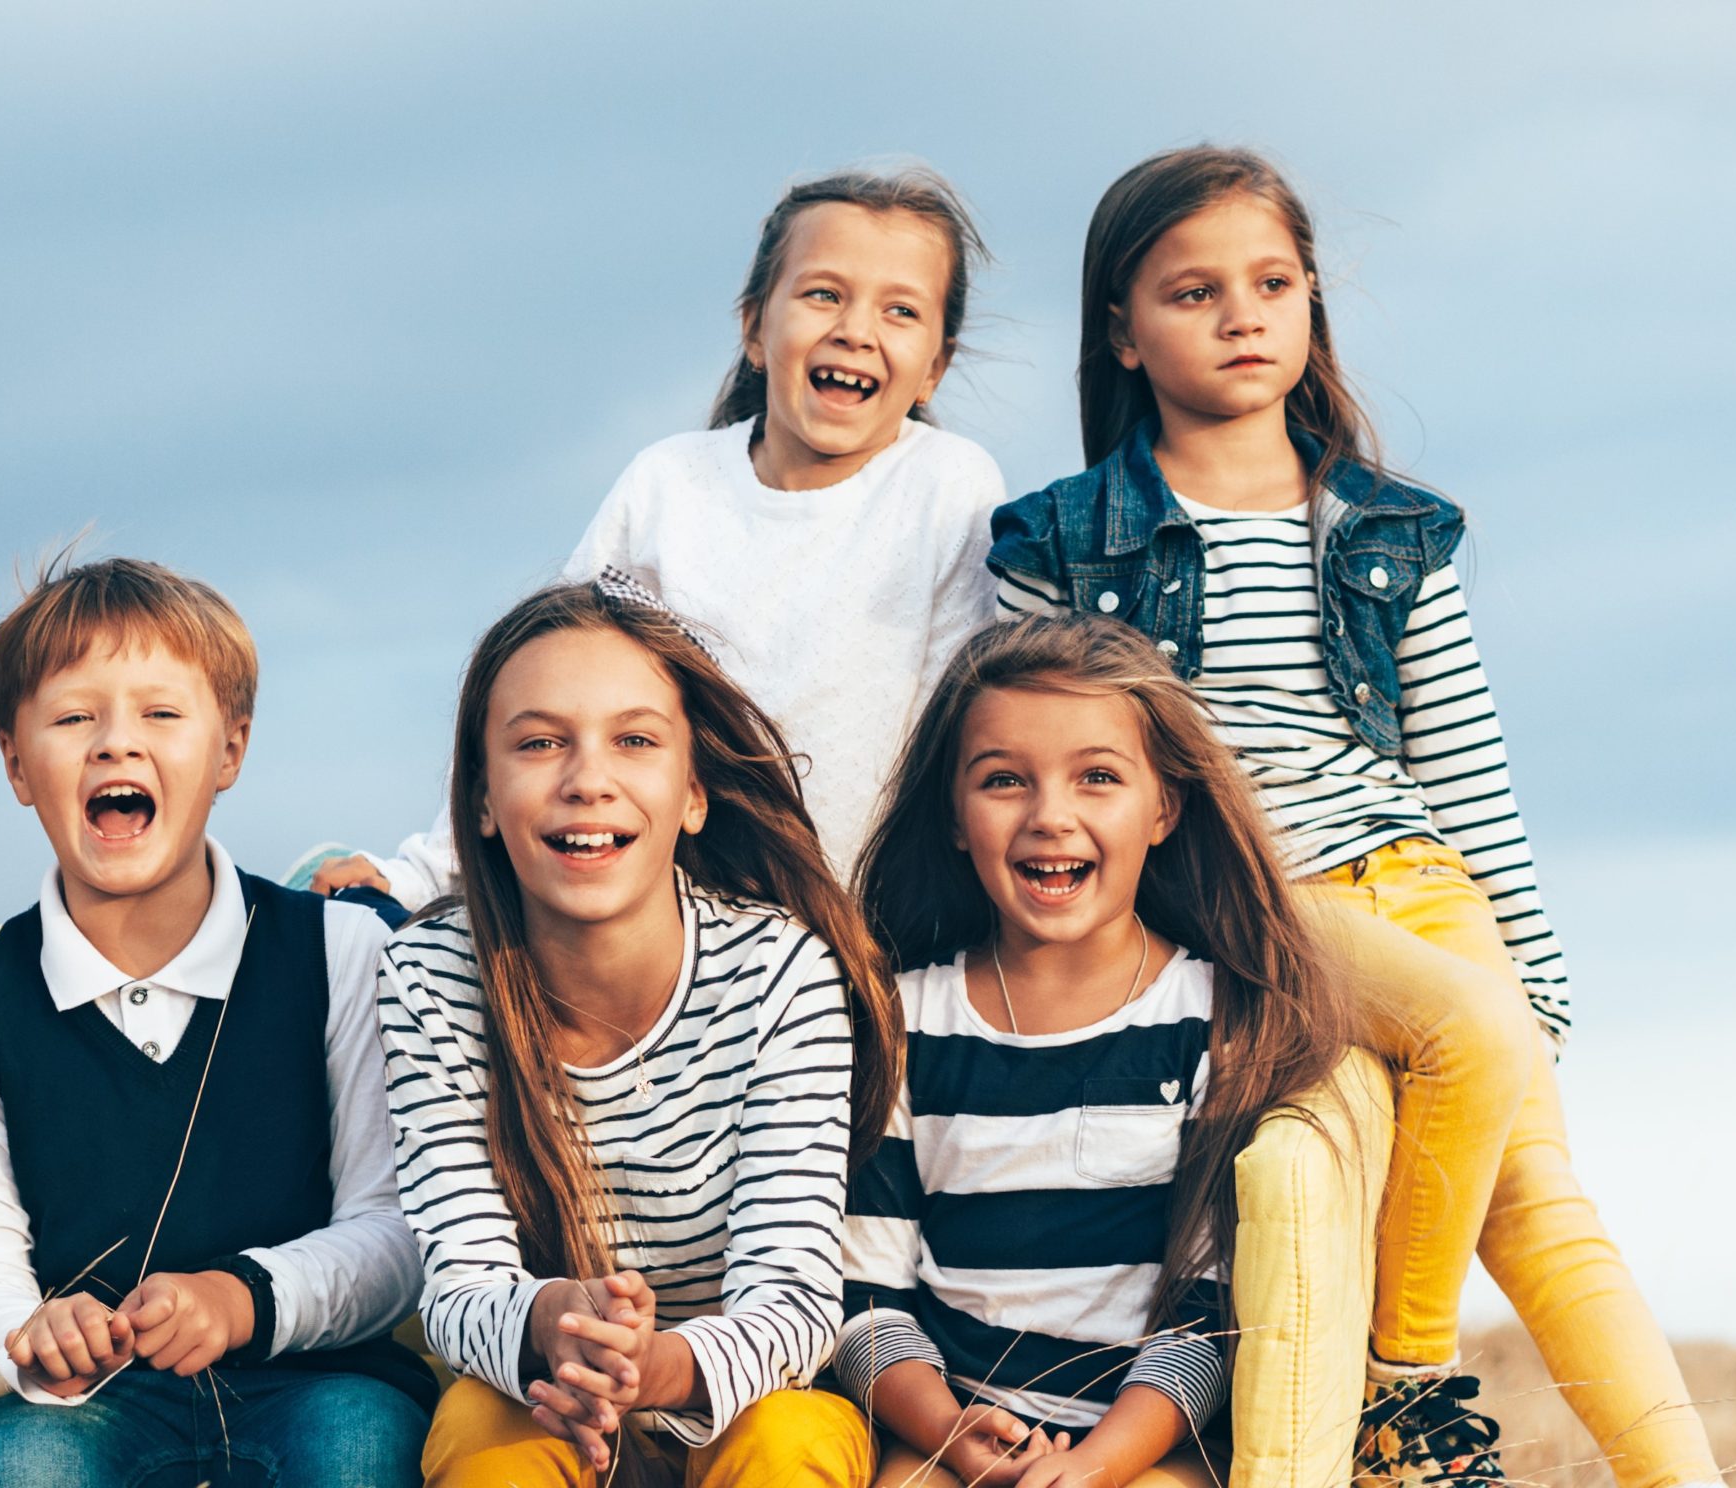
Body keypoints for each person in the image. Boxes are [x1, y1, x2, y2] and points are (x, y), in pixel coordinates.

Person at [988, 145, 1718, 1488]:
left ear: (1312, 302)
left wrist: (1538, 983)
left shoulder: (1386, 527)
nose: (1242, 315)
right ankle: (1402, 1391)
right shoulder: (1061, 543)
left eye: (1272, 284)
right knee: (1467, 1035)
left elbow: (1464, 768)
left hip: (1425, 885)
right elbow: (1044, 769)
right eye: (1194, 292)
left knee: (1544, 1202)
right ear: (1123, 332)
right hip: (1261, 898)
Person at [310, 165, 1006, 905]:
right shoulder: (671, 484)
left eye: (900, 311)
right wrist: (422, 872)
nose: (856, 330)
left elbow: (958, 733)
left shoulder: (947, 487)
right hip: (670, 929)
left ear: (935, 366)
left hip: (866, 924)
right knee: (351, 927)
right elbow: (547, 688)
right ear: (754, 329)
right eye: (823, 294)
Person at [0, 556, 434, 1487]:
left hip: (319, 1377)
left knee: (360, 1455)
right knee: (16, 1473)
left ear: (229, 750)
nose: (115, 745)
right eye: (75, 718)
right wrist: (23, 1335)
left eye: (160, 713)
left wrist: (244, 1299)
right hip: (83, 1408)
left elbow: (391, 1230)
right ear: (19, 765)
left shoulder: (340, 953)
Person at [377, 581, 902, 1486]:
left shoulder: (782, 974)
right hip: (542, 1386)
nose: (588, 779)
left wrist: (653, 1366)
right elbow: (459, 1284)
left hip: (737, 1396)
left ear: (693, 793)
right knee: (478, 1431)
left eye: (635, 741)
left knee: (793, 1442)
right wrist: (558, 1327)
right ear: (484, 801)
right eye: (540, 743)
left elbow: (794, 1297)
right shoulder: (430, 977)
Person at [837, 611, 1353, 1488]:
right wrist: (952, 1430)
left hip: (1145, 1445)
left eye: (1098, 778)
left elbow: (1210, 1313)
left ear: (1165, 807)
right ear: (955, 817)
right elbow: (868, 1301)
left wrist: (1097, 1467)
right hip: (948, 1433)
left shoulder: (1217, 1015)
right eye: (1004, 780)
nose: (1051, 817)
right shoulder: (903, 1020)